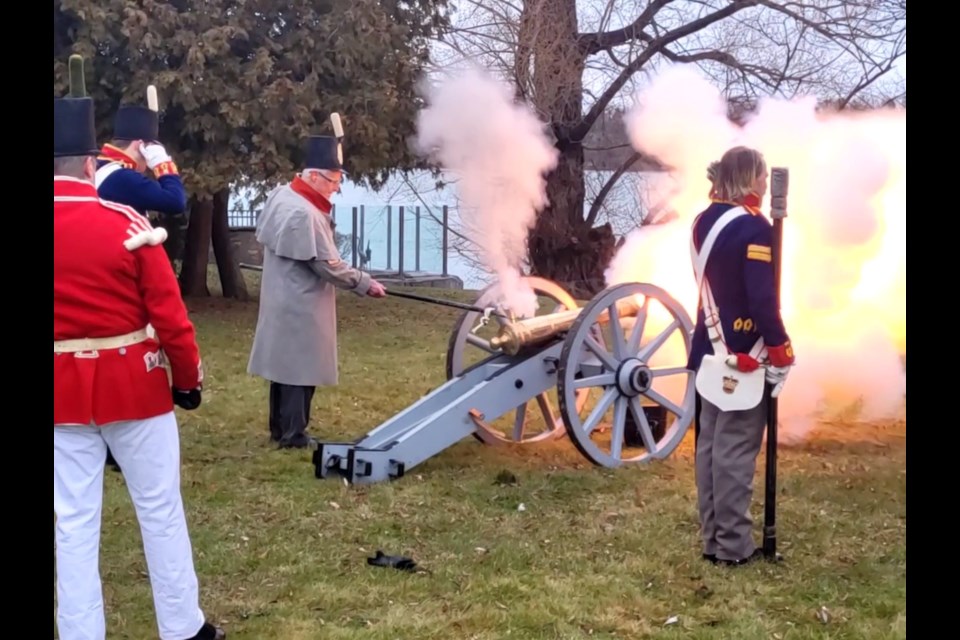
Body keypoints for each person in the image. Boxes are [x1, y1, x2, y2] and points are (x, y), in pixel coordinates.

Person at [54, 64, 225, 640]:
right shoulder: (125, 223)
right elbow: (171, 320)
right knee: (159, 511)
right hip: (136, 387)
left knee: (73, 525)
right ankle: (182, 627)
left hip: (60, 398)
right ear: (88, 165)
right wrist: (187, 380)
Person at [687, 146, 795, 567]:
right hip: (742, 353)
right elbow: (762, 300)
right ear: (749, 178)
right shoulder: (753, 230)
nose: (766, 184)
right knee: (733, 451)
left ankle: (713, 540)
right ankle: (734, 548)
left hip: (708, 349)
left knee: (711, 448)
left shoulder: (703, 221)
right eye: (762, 176)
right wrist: (780, 348)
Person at [247, 134, 387, 448]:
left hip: (281, 295)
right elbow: (328, 266)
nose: (336, 187)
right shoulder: (304, 214)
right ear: (313, 176)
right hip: (302, 301)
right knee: (301, 370)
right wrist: (365, 283)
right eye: (333, 180)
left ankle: (279, 429)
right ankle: (294, 435)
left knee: (282, 368)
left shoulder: (282, 195)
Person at [95, 100, 188, 217]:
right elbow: (176, 201)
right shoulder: (122, 177)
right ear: (140, 146)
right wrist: (163, 164)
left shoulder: (98, 166)